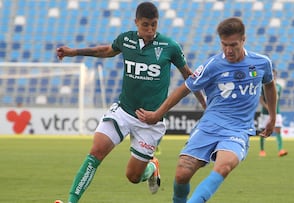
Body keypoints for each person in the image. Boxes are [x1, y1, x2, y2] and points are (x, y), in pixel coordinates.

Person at [55, 2, 206, 203]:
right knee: (96, 151)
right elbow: (106, 50)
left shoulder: (170, 46)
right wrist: (74, 52)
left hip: (150, 122)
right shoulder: (126, 40)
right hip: (124, 111)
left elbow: (190, 77)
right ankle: (71, 201)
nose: (150, 29)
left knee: (133, 176)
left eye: (154, 24)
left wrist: (206, 106)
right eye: (145, 25)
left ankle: (152, 168)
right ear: (136, 22)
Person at [136, 17, 277, 203]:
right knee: (181, 174)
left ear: (244, 40)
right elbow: (185, 88)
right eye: (224, 44)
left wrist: (273, 117)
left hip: (238, 129)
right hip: (209, 126)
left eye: (233, 44)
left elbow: (269, 85)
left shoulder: (261, 63)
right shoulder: (214, 65)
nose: (228, 50)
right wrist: (157, 114)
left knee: (223, 167)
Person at [258, 69, 288, 157]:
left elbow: (277, 99)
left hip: (276, 112)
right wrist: (267, 106)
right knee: (263, 131)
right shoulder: (263, 86)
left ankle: (280, 150)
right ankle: (262, 150)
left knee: (278, 130)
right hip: (265, 113)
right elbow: (260, 99)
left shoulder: (279, 86)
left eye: (274, 75)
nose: (273, 76)